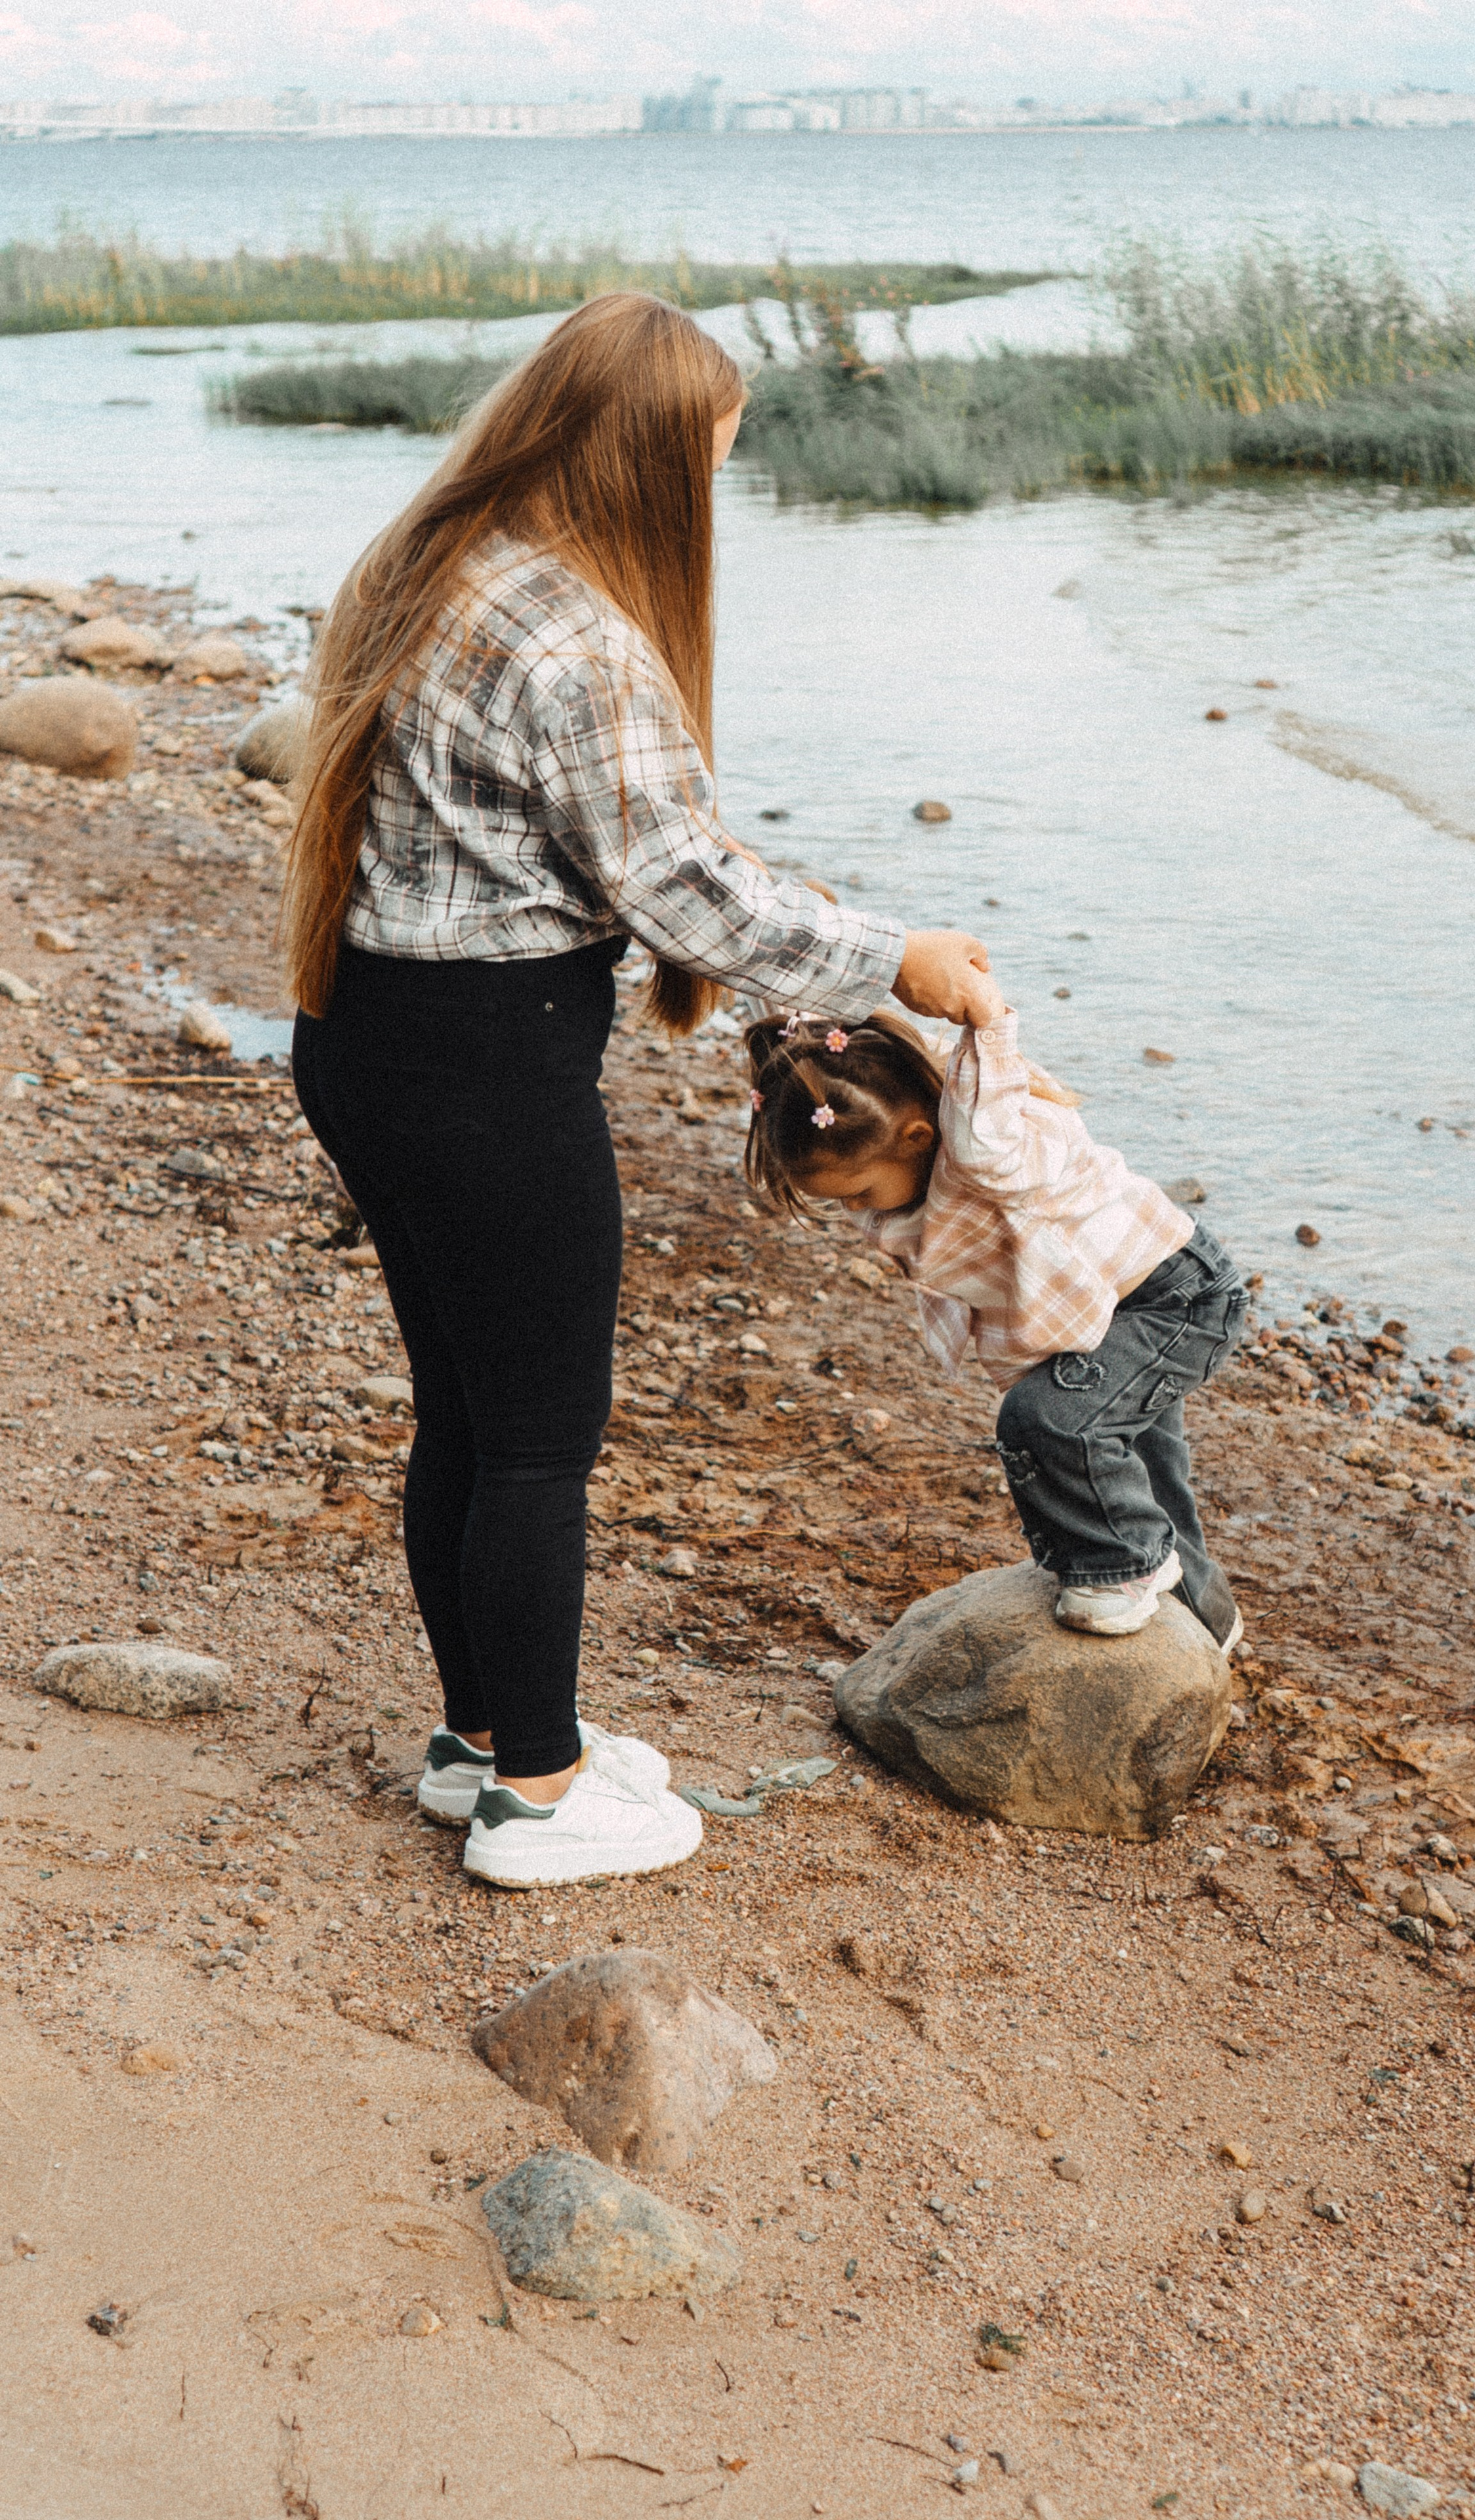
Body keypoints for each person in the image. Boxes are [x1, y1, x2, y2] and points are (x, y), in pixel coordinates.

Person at [284, 292, 991, 1890]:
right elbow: (683, 889)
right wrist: (898, 958)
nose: (708, 502)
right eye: (706, 468)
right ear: (639, 462)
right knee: (538, 1433)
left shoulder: (421, 560)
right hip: (483, 1061)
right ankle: (538, 1792)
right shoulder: (577, 636)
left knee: (467, 1408)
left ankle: (483, 1742)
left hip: (366, 1038)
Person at [742, 978, 1247, 1647]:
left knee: (1048, 1418)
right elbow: (804, 1062)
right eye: (838, 1200)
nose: (855, 1209)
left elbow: (982, 1082)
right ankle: (1206, 1622)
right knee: (1141, 1471)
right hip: (1102, 1307)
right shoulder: (885, 1158)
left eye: (859, 1189)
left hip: (1171, 1297)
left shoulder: (986, 1153)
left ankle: (1119, 1569)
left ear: (920, 1135)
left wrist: (983, 1011)